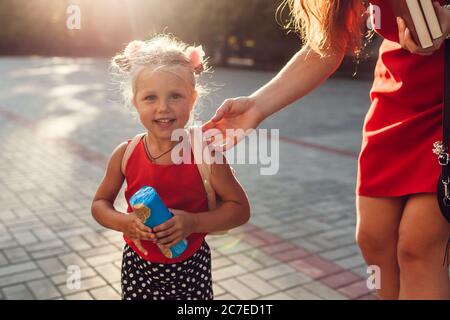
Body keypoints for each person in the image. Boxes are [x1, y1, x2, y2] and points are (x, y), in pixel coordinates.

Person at [203, 0, 450, 299]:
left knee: (418, 248)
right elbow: (327, 45)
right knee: (373, 241)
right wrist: (256, 106)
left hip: (444, 107)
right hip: (396, 98)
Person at [91, 35, 250, 300]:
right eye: (150, 98)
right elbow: (99, 204)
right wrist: (124, 222)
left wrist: (193, 222)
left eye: (175, 96)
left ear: (193, 99)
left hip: (191, 269)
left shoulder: (205, 155)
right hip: (137, 268)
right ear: (135, 102)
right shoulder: (125, 154)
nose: (163, 108)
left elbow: (240, 210)